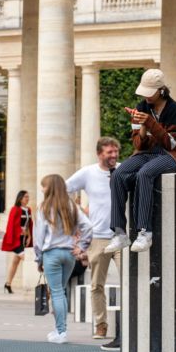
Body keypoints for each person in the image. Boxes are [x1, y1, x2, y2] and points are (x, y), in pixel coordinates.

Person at [104, 69, 176, 254]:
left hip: (172, 155)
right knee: (118, 174)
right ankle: (119, 232)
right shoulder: (142, 107)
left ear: (160, 90)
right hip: (147, 152)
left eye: (149, 92)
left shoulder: (174, 109)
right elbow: (138, 144)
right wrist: (142, 126)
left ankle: (145, 232)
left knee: (145, 173)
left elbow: (171, 143)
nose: (146, 97)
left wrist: (150, 122)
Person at [67, 137, 121, 339]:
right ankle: (101, 325)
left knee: (131, 282)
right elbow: (64, 188)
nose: (114, 155)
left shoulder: (123, 171)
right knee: (96, 284)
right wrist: (78, 215)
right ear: (99, 153)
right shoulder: (88, 173)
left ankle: (131, 323)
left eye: (115, 152)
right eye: (109, 152)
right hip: (98, 237)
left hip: (122, 236)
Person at [34, 174, 93, 344]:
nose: (42, 189)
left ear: (50, 188)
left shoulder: (44, 208)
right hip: (69, 254)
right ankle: (59, 329)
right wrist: (81, 246)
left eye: (43, 186)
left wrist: (39, 259)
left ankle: (61, 331)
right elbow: (88, 226)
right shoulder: (71, 206)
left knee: (57, 292)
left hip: (51, 253)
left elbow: (39, 237)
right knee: (62, 292)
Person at [1, 190, 32, 293]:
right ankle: (32, 283)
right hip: (16, 239)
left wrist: (29, 236)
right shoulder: (15, 209)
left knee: (15, 262)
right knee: (27, 259)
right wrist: (20, 232)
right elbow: (11, 224)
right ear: (20, 198)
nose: (27, 199)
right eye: (25, 197)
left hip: (24, 238)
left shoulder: (28, 209)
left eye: (28, 197)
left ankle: (8, 284)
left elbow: (29, 224)